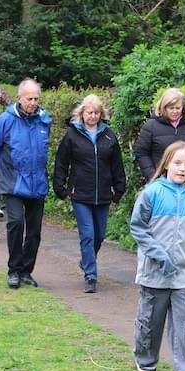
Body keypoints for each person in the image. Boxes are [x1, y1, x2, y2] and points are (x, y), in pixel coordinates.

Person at [129, 141, 185, 371]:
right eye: (178, 163)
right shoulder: (151, 193)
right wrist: (159, 255)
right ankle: (146, 358)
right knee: (151, 321)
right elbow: (138, 227)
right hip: (155, 273)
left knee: (184, 326)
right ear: (166, 164)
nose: (182, 168)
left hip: (184, 273)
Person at [53, 94, 127, 293]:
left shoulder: (109, 136)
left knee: (99, 235)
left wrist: (119, 189)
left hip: (103, 194)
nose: (92, 116)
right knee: (87, 234)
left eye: (96, 113)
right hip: (80, 193)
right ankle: (91, 276)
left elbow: (117, 166)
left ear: (101, 114)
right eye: (89, 112)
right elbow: (61, 162)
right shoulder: (72, 135)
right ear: (82, 114)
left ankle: (86, 261)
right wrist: (59, 186)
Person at [0, 78, 51, 288]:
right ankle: (13, 269)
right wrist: (5, 173)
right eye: (29, 98)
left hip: (37, 183)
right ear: (19, 98)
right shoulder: (6, 120)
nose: (33, 102)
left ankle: (26, 271)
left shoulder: (44, 120)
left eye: (36, 98)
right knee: (16, 223)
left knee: (34, 231)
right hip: (13, 183)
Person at [135, 87, 185, 185]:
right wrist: (153, 177)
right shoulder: (151, 126)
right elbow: (142, 153)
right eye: (171, 108)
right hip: (160, 184)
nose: (175, 111)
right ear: (164, 108)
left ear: (183, 107)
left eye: (178, 108)